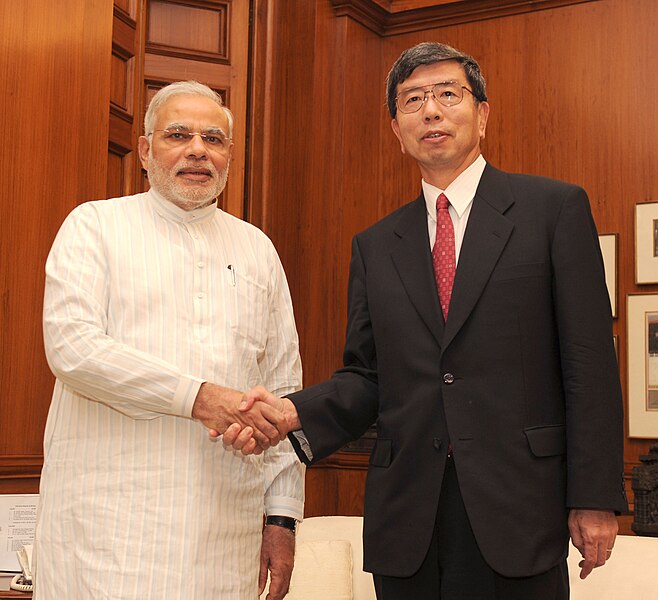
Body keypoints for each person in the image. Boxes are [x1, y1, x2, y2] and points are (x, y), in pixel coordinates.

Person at [224, 42, 627, 599]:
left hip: (518, 509)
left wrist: (595, 495)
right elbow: (366, 377)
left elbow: (589, 364)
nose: (430, 111)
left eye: (447, 95)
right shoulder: (374, 245)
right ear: (396, 128)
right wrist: (295, 411)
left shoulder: (552, 211)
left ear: (482, 114)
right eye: (412, 100)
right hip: (408, 516)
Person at [35, 81, 304, 600]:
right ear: (143, 150)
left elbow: (283, 392)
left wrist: (283, 517)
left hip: (226, 535)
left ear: (230, 157)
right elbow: (73, 348)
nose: (197, 149)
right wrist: (200, 398)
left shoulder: (257, 249)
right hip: (106, 533)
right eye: (178, 134)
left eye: (214, 139)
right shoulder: (94, 226)